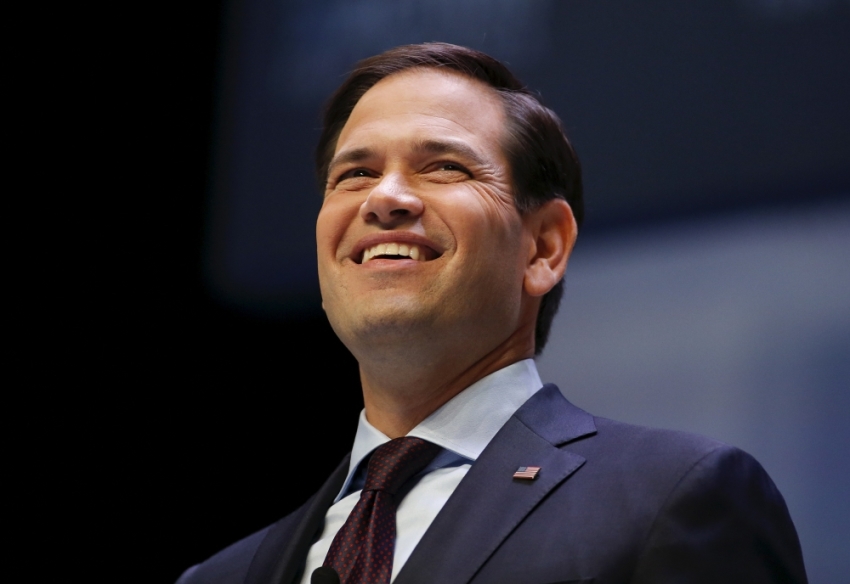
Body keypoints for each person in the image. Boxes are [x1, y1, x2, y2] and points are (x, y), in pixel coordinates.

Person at [177, 43, 807, 584]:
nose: (385, 198)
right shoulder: (223, 576)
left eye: (444, 166)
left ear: (543, 247)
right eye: (356, 173)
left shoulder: (675, 497)